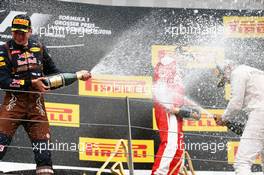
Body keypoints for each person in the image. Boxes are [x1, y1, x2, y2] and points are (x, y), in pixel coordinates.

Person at [0, 14, 91, 175]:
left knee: (44, 156)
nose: (18, 36)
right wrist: (30, 83)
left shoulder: (39, 47)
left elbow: (55, 74)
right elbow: (3, 81)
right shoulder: (3, 50)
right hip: (13, 104)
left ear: (30, 31)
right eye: (15, 32)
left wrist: (77, 75)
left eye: (22, 32)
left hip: (36, 107)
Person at [214, 60, 264, 175]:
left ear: (227, 69)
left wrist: (223, 118)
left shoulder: (237, 73)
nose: (227, 82)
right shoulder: (252, 72)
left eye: (225, 79)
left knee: (242, 163)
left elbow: (236, 103)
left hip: (260, 113)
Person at [151, 50, 186, 175]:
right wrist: (168, 105)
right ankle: (159, 173)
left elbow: (177, 91)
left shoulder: (177, 69)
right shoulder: (166, 63)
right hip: (167, 109)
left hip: (177, 111)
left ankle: (173, 173)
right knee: (170, 144)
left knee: (178, 147)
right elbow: (159, 86)